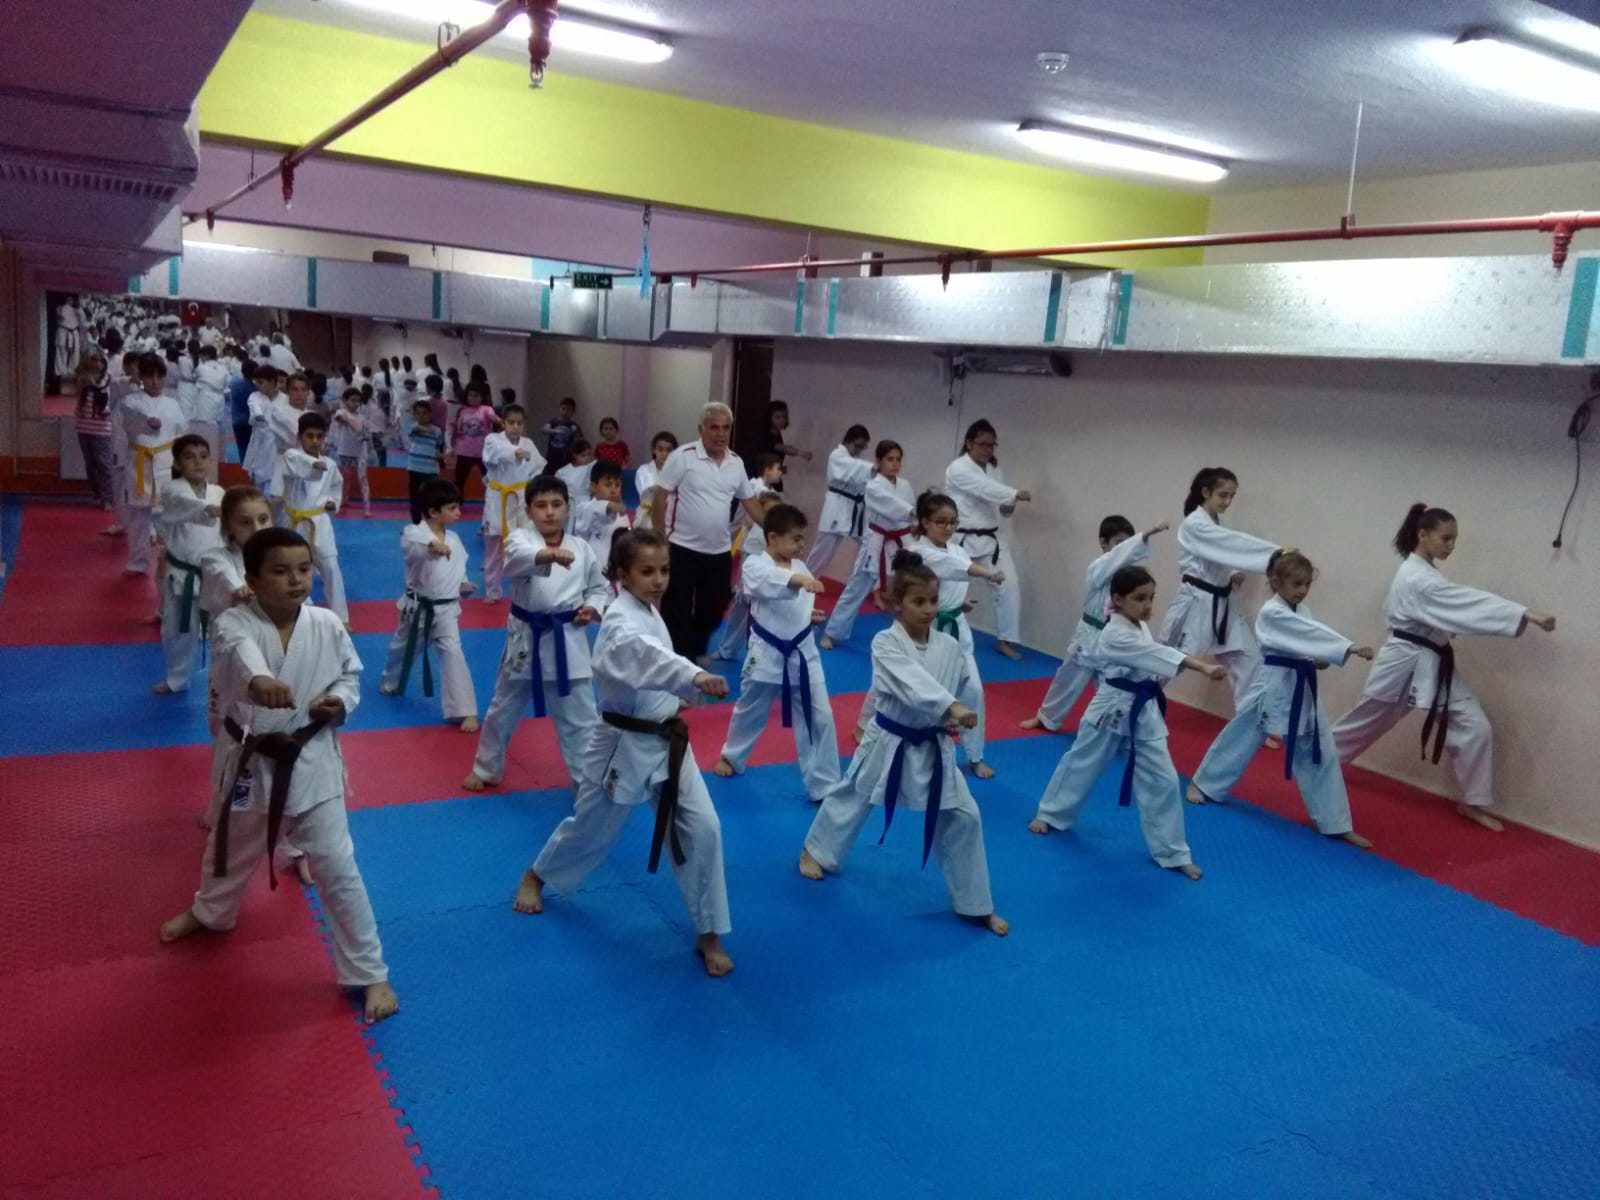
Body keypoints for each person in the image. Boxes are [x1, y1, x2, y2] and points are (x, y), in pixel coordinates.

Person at [159, 527, 399, 1025]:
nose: (296, 580)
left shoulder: (325, 623)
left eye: (304, 569)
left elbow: (349, 676)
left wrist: (339, 703)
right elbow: (241, 654)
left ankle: (368, 970)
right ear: (252, 580)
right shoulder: (232, 623)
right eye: (281, 571)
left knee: (339, 867)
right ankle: (211, 912)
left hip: (311, 761)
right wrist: (260, 680)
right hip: (251, 759)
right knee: (227, 850)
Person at [514, 528, 735, 978]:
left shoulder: (650, 611)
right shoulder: (619, 621)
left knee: (704, 828)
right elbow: (647, 657)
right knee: (592, 830)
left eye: (664, 570)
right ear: (622, 575)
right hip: (622, 743)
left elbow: (653, 668)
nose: (659, 580)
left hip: (668, 741)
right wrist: (693, 676)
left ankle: (709, 930)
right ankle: (537, 874)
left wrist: (681, 693)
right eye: (647, 571)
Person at [798, 551, 1008, 936]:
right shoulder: (885, 643)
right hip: (889, 739)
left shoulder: (948, 646)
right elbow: (911, 682)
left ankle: (975, 902)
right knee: (854, 794)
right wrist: (950, 706)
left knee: (965, 816)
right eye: (918, 601)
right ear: (897, 604)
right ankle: (817, 850)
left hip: (933, 744)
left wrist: (956, 720)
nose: (928, 609)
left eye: (933, 600)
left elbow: (964, 686)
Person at [1330, 503, 1556, 832]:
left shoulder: (1424, 573)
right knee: (1367, 719)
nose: (1451, 546)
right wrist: (1525, 614)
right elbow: (1467, 602)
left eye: (1454, 540)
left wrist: (1520, 614)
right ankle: (1319, 761)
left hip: (1432, 661)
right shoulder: (1417, 578)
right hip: (1403, 661)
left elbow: (1456, 605)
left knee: (1474, 725)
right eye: (1446, 538)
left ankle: (1473, 801)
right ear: (1423, 535)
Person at [1029, 565, 1226, 881]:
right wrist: (1201, 667)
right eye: (1140, 598)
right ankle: (1051, 814)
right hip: (1111, 707)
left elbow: (1154, 655)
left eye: (1151, 597)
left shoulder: (1138, 625)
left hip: (1144, 710)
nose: (1148, 605)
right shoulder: (1113, 634)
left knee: (1164, 780)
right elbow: (1155, 653)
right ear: (1118, 599)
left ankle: (1173, 852)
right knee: (1082, 763)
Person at [1187, 551, 1375, 847]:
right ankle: (1205, 783)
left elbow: (1305, 640)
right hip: (1273, 684)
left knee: (1320, 749)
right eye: (1296, 583)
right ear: (1276, 582)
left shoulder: (1303, 611)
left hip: (1301, 686)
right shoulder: (1271, 612)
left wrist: (1318, 658)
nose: (1303, 590)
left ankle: (1334, 821)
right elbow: (1304, 635)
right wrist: (1345, 647)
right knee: (1242, 735)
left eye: (1307, 584)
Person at [464, 475, 609, 793]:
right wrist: (548, 555)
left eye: (557, 504)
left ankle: (586, 783)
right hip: (526, 639)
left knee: (580, 718)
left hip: (567, 638)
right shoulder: (519, 539)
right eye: (541, 506)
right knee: (503, 709)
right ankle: (487, 768)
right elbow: (515, 561)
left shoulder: (582, 548)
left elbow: (599, 588)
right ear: (529, 511)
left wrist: (591, 607)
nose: (550, 512)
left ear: (568, 507)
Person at [714, 503, 841, 801]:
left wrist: (809, 616)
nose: (801, 545)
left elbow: (796, 604)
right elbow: (768, 584)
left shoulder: (802, 568)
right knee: (751, 710)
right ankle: (732, 756)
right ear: (772, 537)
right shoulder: (754, 565)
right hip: (767, 652)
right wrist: (800, 582)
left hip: (803, 653)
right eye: (795, 539)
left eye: (802, 538)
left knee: (820, 716)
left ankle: (824, 783)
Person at [1159, 469, 1289, 734]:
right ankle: (1127, 706)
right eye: (1223, 495)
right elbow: (1228, 545)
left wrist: (1232, 573)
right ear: (1206, 492)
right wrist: (1276, 554)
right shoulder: (1194, 524)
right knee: (1165, 663)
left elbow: (1221, 553)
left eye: (1232, 496)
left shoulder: (1218, 523)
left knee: (1250, 661)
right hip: (1195, 603)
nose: (1228, 501)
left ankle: (1249, 728)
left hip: (1223, 605)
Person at [1023, 516, 1169, 732]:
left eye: (1129, 544)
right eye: (1119, 543)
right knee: (1067, 679)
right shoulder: (1098, 567)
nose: (1125, 550)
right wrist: (1144, 536)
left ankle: (1112, 729)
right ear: (1103, 542)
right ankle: (1046, 717)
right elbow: (1114, 559)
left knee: (1112, 686)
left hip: (1114, 636)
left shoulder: (1129, 580)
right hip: (1089, 633)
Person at [650, 402, 764, 663]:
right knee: (676, 607)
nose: (720, 434)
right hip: (680, 546)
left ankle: (696, 645)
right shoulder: (683, 456)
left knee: (717, 604)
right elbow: (660, 497)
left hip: (719, 549)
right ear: (701, 429)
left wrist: (776, 526)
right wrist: (658, 538)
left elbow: (750, 502)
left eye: (726, 428)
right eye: (714, 427)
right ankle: (682, 659)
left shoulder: (736, 463)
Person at [906, 490, 1005, 778]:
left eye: (952, 522)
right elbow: (949, 568)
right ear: (925, 522)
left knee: (973, 690)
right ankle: (872, 729)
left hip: (956, 629)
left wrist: (958, 603)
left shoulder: (958, 550)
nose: (948, 527)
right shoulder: (917, 552)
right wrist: (986, 573)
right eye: (941, 522)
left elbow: (952, 579)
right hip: (925, 630)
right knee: (910, 688)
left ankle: (975, 755)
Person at [198, 487, 275, 828]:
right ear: (228, 526)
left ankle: (263, 813)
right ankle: (221, 809)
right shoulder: (216, 558)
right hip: (230, 665)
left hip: (270, 662)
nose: (256, 529)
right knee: (228, 735)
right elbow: (227, 581)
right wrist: (240, 589)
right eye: (245, 522)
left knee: (262, 737)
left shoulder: (279, 558)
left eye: (263, 519)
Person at [378, 478, 479, 732]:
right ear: (433, 512)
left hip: (447, 610)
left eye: (458, 506)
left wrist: (463, 584)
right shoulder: (412, 533)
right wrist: (434, 545)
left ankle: (464, 710)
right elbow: (418, 548)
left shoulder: (455, 538)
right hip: (417, 608)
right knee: (402, 649)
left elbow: (459, 567)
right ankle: (391, 681)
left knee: (453, 653)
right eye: (453, 508)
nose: (459, 512)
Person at [944, 419, 1032, 659]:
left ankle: (1005, 640)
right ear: (969, 443)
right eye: (982, 444)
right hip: (961, 539)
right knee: (951, 591)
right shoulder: (958, 468)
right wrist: (1014, 494)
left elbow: (999, 502)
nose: (988, 449)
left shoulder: (995, 470)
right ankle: (941, 636)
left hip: (991, 539)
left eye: (992, 445)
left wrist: (1009, 505)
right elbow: (984, 488)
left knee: (1009, 585)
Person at [821, 440, 915, 649]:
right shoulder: (873, 486)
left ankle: (908, 636)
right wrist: (912, 513)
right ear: (878, 461)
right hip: (876, 541)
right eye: (889, 459)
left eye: (898, 459)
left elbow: (908, 512)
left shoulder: (905, 485)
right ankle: (832, 632)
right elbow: (894, 506)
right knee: (856, 589)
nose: (895, 464)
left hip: (901, 542)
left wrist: (915, 522)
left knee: (909, 589)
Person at [152, 436, 225, 695]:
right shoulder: (172, 490)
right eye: (189, 457)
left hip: (215, 573)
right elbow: (185, 506)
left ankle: (224, 679)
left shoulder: (219, 492)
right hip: (182, 574)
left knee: (223, 629)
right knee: (178, 630)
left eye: (203, 456)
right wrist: (209, 510)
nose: (198, 462)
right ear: (177, 463)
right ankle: (177, 678)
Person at [281, 413, 350, 628]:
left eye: (319, 436)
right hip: (294, 522)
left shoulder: (330, 464)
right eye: (309, 436)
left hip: (319, 521)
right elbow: (303, 466)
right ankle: (300, 615)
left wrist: (332, 502)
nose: (315, 441)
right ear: (300, 437)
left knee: (331, 567)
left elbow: (336, 487)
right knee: (294, 569)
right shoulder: (291, 456)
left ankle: (341, 618)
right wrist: (315, 464)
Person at [120, 353, 186, 578]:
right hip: (139, 463)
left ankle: (169, 558)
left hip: (166, 463)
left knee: (165, 516)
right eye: (149, 377)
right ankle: (138, 561)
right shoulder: (130, 401)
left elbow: (181, 433)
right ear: (141, 377)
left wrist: (182, 463)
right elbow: (129, 423)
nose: (155, 382)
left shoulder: (173, 404)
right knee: (138, 517)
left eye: (159, 376)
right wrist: (147, 421)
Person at [480, 404, 545, 603]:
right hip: (497, 498)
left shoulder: (529, 443)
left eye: (519, 423)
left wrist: (533, 488)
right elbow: (491, 456)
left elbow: (538, 467)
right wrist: (515, 452)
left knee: (523, 543)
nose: (515, 427)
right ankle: (492, 589)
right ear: (503, 423)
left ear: (524, 424)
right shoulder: (493, 440)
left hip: (520, 498)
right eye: (511, 422)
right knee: (494, 546)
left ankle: (524, 585)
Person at [710, 489, 782, 662]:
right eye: (767, 512)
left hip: (764, 580)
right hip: (746, 578)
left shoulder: (778, 535)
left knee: (761, 618)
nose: (771, 517)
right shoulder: (753, 527)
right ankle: (727, 649)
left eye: (776, 513)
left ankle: (760, 653)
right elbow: (744, 551)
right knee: (738, 612)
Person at [803, 424, 872, 577]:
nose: (859, 450)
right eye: (858, 446)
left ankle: (863, 581)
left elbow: (859, 476)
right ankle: (803, 581)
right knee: (822, 553)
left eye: (862, 447)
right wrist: (874, 469)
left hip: (850, 509)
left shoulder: (854, 460)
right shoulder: (837, 455)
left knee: (870, 542)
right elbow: (853, 468)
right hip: (836, 509)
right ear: (849, 440)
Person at [73, 351, 119, 514]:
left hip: (102, 428)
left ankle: (108, 498)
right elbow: (79, 400)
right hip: (84, 426)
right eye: (94, 360)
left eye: (101, 361)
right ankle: (98, 494)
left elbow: (115, 402)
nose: (98, 364)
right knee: (90, 464)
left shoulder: (109, 380)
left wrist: (109, 411)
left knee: (104, 464)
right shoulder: (81, 380)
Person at [572, 459, 631, 571]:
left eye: (617, 485)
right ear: (594, 486)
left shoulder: (621, 513)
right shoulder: (585, 508)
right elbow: (599, 509)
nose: (613, 490)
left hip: (617, 568)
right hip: (592, 567)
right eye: (608, 485)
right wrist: (612, 506)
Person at [329, 389, 372, 518]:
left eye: (358, 401)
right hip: (345, 450)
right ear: (345, 400)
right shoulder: (341, 412)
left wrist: (367, 438)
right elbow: (340, 418)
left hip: (360, 451)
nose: (356, 403)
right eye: (353, 400)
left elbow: (366, 434)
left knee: (362, 478)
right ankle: (343, 499)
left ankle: (367, 507)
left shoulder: (363, 417)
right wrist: (357, 427)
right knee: (345, 478)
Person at [404, 398, 446, 524]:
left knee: (431, 497)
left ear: (430, 414)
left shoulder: (437, 430)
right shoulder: (413, 426)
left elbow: (438, 446)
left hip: (430, 469)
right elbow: (417, 428)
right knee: (415, 498)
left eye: (424, 413)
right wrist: (430, 430)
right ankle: (416, 524)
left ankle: (430, 523)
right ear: (414, 415)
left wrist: (440, 455)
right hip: (415, 468)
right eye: (418, 413)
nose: (421, 416)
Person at [192, 345, 230, 481]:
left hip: (206, 398)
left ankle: (205, 465)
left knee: (205, 431)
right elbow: (227, 384)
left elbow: (194, 377)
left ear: (205, 356)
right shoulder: (223, 368)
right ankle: (219, 461)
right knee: (218, 429)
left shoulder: (201, 367)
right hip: (219, 399)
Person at [452, 382, 496, 490]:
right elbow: (459, 429)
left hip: (482, 451)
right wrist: (455, 438)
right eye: (470, 395)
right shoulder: (463, 411)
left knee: (490, 482)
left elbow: (494, 418)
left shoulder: (487, 409)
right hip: (464, 451)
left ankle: (493, 500)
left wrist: (504, 423)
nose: (473, 398)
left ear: (482, 397)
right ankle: (456, 500)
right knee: (459, 482)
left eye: (476, 395)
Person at [759, 400, 812, 488]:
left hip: (772, 478)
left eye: (784, 417)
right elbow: (784, 448)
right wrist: (801, 453)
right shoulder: (767, 435)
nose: (782, 420)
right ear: (770, 418)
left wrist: (780, 469)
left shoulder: (777, 434)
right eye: (778, 417)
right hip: (764, 480)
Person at [634, 430, 677, 527]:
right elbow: (650, 495)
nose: (664, 454)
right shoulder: (644, 470)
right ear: (654, 450)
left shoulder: (678, 472)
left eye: (668, 450)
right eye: (660, 449)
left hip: (670, 517)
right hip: (647, 515)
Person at [541, 396, 582, 470]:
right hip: (552, 456)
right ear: (560, 408)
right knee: (549, 474)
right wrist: (555, 431)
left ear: (573, 411)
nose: (565, 411)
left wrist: (575, 432)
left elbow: (580, 439)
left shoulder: (573, 425)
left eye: (569, 409)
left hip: (566, 458)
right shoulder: (553, 421)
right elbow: (544, 430)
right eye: (563, 408)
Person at [228, 359, 257, 463]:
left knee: (241, 446)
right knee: (253, 448)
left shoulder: (234, 383)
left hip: (237, 420)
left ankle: (243, 466)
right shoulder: (255, 388)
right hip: (251, 421)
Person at [554, 439, 595, 511]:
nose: (586, 458)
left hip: (585, 502)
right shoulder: (562, 471)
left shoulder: (590, 469)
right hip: (568, 502)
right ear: (574, 455)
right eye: (583, 456)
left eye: (588, 455)